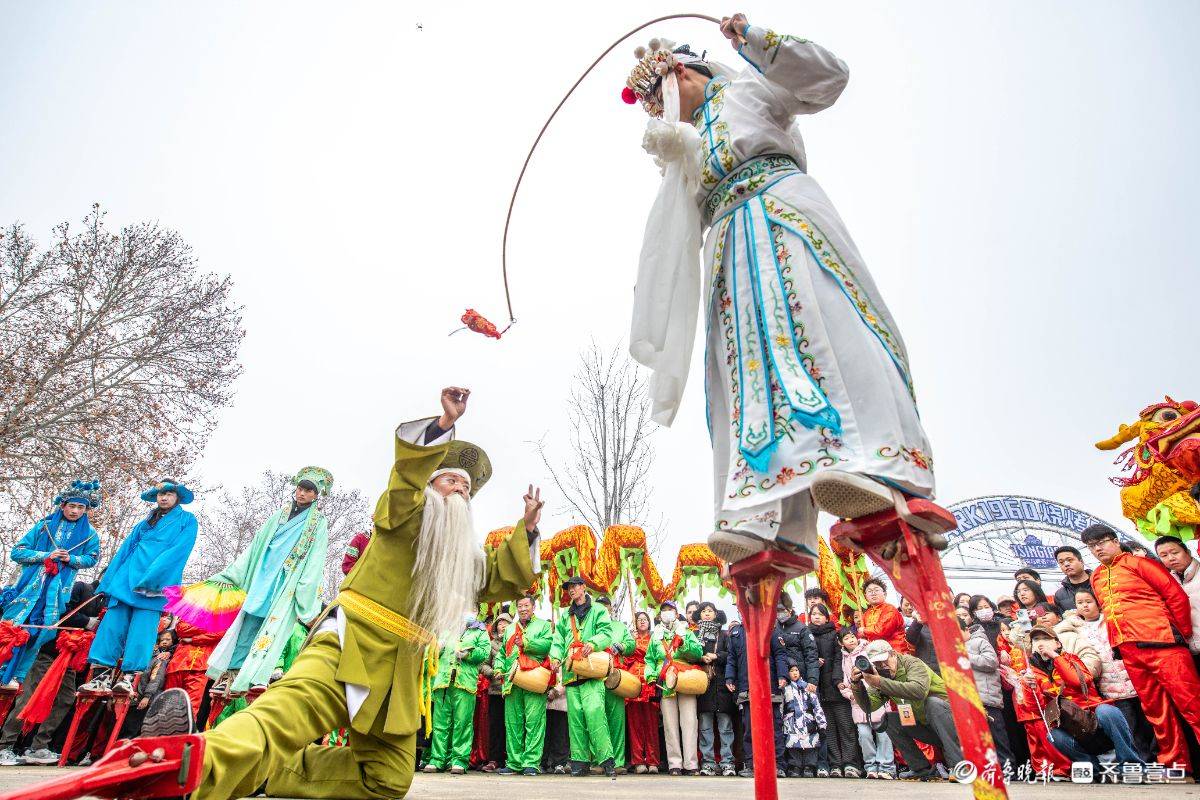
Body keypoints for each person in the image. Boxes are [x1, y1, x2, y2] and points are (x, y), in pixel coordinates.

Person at [622, 15, 937, 566]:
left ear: (684, 73)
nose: (661, 110)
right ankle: (766, 514)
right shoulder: (688, 144)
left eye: (660, 95)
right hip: (728, 241)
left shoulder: (750, 88)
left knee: (825, 324)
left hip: (783, 211)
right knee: (745, 367)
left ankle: (876, 464)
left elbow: (829, 79)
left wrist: (756, 41)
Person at [143, 386, 544, 799]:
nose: (460, 489)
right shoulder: (404, 511)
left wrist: (528, 529)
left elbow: (502, 578)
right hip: (352, 638)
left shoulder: (463, 560)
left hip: (401, 668)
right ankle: (187, 769)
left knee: (388, 779)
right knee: (286, 717)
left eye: (466, 486)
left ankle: (266, 774)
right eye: (450, 479)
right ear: (428, 484)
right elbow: (405, 479)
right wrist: (443, 426)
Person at [1083, 522, 1200, 774]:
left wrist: (1181, 634)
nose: (1097, 549)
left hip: (1163, 644)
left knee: (1193, 704)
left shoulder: (1141, 564)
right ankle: (1176, 766)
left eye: (1101, 542)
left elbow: (1176, 597)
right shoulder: (1097, 576)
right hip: (1129, 651)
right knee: (1156, 712)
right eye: (1092, 546)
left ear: (1115, 541)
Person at [206, 467, 332, 697]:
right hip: (263, 576)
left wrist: (307, 595)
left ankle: (257, 677)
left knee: (274, 630)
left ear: (316, 495)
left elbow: (316, 559)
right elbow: (256, 545)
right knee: (248, 623)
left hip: (286, 582)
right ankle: (231, 674)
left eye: (308, 490)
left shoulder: (318, 523)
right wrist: (233, 573)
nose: (302, 493)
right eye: (300, 488)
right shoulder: (280, 514)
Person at [83, 480, 197, 694]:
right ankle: (101, 677)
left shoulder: (187, 520)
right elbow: (125, 549)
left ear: (177, 497)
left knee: (142, 632)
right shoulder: (146, 521)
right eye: (161, 494)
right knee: (111, 626)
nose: (164, 497)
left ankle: (128, 679)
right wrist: (109, 581)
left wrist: (154, 577)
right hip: (127, 577)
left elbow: (180, 551)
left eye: (169, 493)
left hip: (155, 582)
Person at [1, 480, 101, 687]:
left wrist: (71, 559)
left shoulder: (90, 534)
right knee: (13, 626)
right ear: (62, 505)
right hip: (29, 588)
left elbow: (92, 559)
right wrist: (46, 555)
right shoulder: (44, 526)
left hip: (57, 591)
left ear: (86, 510)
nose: (75, 511)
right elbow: (17, 552)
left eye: (80, 507)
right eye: (71, 506)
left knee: (39, 632)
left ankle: (17, 676)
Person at [0, 573, 102, 766]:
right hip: (48, 652)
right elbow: (60, 613)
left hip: (70, 657)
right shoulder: (82, 587)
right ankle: (5, 745)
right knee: (29, 696)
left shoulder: (110, 604)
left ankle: (39, 746)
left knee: (66, 698)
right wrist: (87, 621)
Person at [1023, 625, 1143, 771]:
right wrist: (1028, 686)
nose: (1041, 643)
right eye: (1036, 639)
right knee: (1053, 735)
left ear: (1058, 644)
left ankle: (1130, 763)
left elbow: (1077, 681)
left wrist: (1055, 657)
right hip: (1072, 725)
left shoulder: (1071, 659)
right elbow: (1037, 709)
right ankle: (1094, 770)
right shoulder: (1033, 673)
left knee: (1107, 711)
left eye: (1046, 638)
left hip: (1093, 717)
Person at [849, 640, 962, 781]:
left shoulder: (913, 663)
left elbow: (919, 691)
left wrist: (879, 682)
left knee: (932, 703)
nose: (882, 665)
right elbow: (869, 707)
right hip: (929, 727)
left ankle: (959, 766)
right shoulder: (882, 675)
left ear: (893, 654)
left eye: (884, 661)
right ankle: (921, 769)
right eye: (877, 663)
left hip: (955, 724)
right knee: (889, 720)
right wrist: (856, 685)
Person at [1073, 588, 1158, 762]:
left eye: (1088, 601)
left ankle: (1159, 758)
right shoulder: (1077, 630)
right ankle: (1143, 761)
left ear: (1098, 603)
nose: (1084, 606)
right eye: (1080, 603)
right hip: (1110, 687)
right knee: (1129, 728)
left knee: (1151, 723)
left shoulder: (1111, 620)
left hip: (1135, 679)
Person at [548, 575, 615, 776]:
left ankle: (606, 761)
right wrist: (555, 657)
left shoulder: (599, 610)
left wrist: (593, 643)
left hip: (592, 671)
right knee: (575, 719)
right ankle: (580, 762)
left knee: (595, 714)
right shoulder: (565, 616)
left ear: (583, 587)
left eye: (575, 586)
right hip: (571, 673)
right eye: (569, 587)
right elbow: (558, 640)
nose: (571, 590)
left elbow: (606, 633)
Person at [424, 615, 491, 775]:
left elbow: (484, 653)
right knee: (440, 723)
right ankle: (437, 759)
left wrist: (468, 654)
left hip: (465, 683)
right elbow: (428, 655)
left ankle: (459, 760)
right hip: (443, 681)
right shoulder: (444, 629)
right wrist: (436, 649)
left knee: (463, 723)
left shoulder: (480, 631)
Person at [725, 614, 790, 778]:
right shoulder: (736, 633)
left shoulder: (770, 629)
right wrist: (729, 677)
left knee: (774, 727)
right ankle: (752, 764)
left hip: (769, 686)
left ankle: (778, 765)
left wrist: (782, 675)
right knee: (749, 729)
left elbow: (780, 655)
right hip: (747, 688)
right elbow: (732, 658)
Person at [645, 599, 703, 775]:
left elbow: (698, 653)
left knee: (689, 722)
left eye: (670, 610)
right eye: (664, 610)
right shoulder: (655, 635)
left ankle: (691, 764)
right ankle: (674, 763)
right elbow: (649, 659)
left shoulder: (686, 632)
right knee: (669, 724)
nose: (667, 613)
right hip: (665, 681)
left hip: (685, 678)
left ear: (677, 614)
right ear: (659, 615)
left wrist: (684, 645)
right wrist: (650, 676)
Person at [497, 595, 552, 776]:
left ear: (533, 607)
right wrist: (498, 668)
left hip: (533, 679)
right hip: (512, 681)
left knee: (534, 722)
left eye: (526, 605)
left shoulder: (543, 626)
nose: (522, 609)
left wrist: (527, 643)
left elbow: (547, 645)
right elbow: (502, 653)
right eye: (519, 606)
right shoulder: (510, 629)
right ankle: (514, 763)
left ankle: (531, 763)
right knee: (513, 723)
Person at [807, 603, 861, 778]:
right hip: (818, 689)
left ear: (826, 617)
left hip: (837, 688)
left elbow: (840, 659)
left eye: (820, 614)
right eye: (813, 614)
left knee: (846, 727)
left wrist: (837, 681)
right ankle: (835, 763)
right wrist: (814, 663)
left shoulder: (834, 635)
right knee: (827, 729)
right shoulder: (806, 635)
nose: (816, 617)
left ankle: (850, 763)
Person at [838, 629, 893, 779]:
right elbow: (846, 682)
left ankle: (887, 767)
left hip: (877, 697)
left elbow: (880, 671)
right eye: (846, 638)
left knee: (884, 735)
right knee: (864, 736)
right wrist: (850, 695)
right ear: (841, 643)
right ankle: (870, 767)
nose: (851, 640)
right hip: (858, 703)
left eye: (852, 636)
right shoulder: (844, 659)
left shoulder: (868, 649)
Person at [964, 618, 1012, 771]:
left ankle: (1009, 770)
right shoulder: (952, 648)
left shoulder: (980, 641)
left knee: (998, 738)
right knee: (980, 740)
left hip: (987, 698)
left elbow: (991, 662)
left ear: (966, 629)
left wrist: (965, 656)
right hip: (969, 699)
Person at [595, 596, 635, 773]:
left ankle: (617, 762)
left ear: (611, 609)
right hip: (594, 676)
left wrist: (623, 646)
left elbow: (632, 645)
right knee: (596, 719)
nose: (604, 609)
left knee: (616, 720)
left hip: (615, 677)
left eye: (606, 606)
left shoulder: (620, 627)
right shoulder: (591, 626)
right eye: (600, 606)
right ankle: (598, 761)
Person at [694, 601, 734, 776]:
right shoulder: (695, 635)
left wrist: (716, 656)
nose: (707, 613)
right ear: (699, 615)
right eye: (704, 611)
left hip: (722, 686)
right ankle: (708, 762)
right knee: (705, 727)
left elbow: (731, 655)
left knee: (726, 727)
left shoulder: (724, 635)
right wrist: (700, 657)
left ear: (716, 614)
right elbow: (689, 654)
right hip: (703, 686)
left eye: (710, 610)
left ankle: (727, 762)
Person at [624, 610, 661, 774]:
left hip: (650, 682)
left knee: (651, 725)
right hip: (632, 683)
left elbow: (657, 656)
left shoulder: (655, 639)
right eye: (639, 619)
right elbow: (626, 659)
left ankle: (653, 762)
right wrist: (631, 644)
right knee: (635, 725)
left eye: (645, 619)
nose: (642, 621)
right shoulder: (630, 639)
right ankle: (638, 761)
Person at [121, 629, 177, 737]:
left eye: (168, 639)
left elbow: (156, 679)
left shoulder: (160, 659)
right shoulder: (143, 657)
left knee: (131, 730)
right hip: (132, 697)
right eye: (162, 640)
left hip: (144, 699)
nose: (164, 642)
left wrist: (147, 697)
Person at [164, 620, 223, 718]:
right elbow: (181, 629)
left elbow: (219, 633)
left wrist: (193, 639)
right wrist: (209, 625)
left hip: (200, 668)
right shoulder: (192, 613)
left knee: (190, 709)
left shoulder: (222, 617)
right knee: (167, 705)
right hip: (179, 664)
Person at [1154, 535, 1200, 654]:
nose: (1171, 558)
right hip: (1191, 650)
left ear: (1187, 551)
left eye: (1175, 552)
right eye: (1164, 555)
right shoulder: (1166, 583)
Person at [781, 663, 825, 777]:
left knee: (810, 742)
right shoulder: (785, 689)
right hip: (791, 720)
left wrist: (821, 722)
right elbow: (782, 707)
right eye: (791, 671)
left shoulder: (808, 687)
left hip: (808, 719)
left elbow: (816, 705)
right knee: (793, 743)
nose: (794, 673)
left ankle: (809, 766)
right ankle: (795, 766)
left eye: (796, 670)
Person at [1035, 604, 1100, 677]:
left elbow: (1091, 658)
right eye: (1039, 616)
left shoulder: (1070, 635)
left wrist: (1078, 676)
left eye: (1046, 614)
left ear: (1059, 618)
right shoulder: (1034, 642)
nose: (1043, 617)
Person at [859, 579, 910, 655]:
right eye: (869, 591)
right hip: (875, 653)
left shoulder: (890, 609)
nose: (873, 593)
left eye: (876, 590)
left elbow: (881, 631)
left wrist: (864, 631)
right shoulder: (866, 614)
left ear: (885, 594)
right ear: (865, 596)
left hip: (894, 652)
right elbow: (861, 634)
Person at [1053, 546, 1092, 611]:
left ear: (1081, 561)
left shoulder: (1100, 581)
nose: (1066, 564)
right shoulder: (1060, 595)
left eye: (1070, 560)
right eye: (1061, 562)